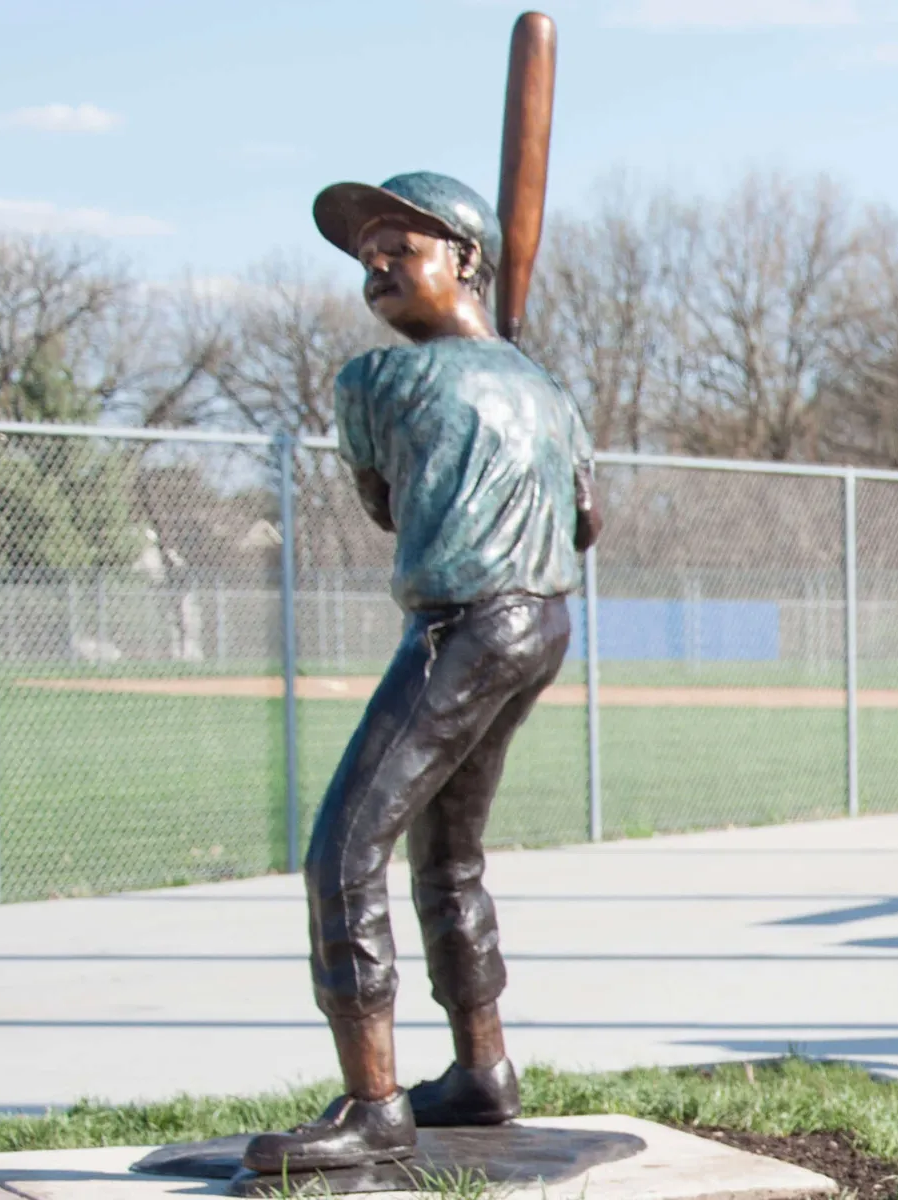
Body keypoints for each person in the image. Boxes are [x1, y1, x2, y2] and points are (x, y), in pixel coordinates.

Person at [243, 171, 602, 1175]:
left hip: (463, 625)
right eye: (369, 258)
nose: (379, 269)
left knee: (343, 852)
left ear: (467, 258)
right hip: (544, 620)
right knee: (447, 856)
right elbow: (586, 522)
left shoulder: (374, 382)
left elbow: (387, 508)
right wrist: (518, 404)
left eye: (402, 247)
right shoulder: (554, 393)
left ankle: (373, 1104)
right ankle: (481, 1071)